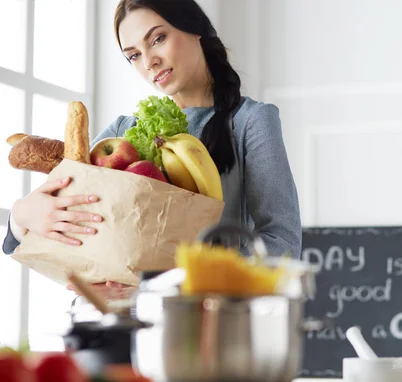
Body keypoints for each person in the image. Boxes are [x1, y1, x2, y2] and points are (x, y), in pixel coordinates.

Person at [2, 0, 302, 294]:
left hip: (205, 320)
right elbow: (41, 231)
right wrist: (21, 216)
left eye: (158, 39)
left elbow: (282, 241)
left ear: (195, 29)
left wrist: (171, 283)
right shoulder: (122, 133)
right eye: (133, 55)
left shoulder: (250, 121)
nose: (149, 62)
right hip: (117, 320)